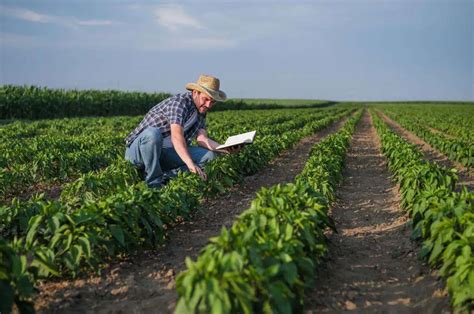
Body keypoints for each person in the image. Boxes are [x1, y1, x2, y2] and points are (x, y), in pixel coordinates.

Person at [124, 74, 240, 188]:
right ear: (195, 93)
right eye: (206, 99)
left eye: (212, 101)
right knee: (153, 134)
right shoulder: (179, 103)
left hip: (163, 153)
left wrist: (225, 148)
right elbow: (176, 137)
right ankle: (153, 182)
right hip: (139, 153)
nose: (208, 105)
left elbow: (202, 139)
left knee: (209, 156)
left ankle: (166, 177)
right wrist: (190, 164)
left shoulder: (201, 111)